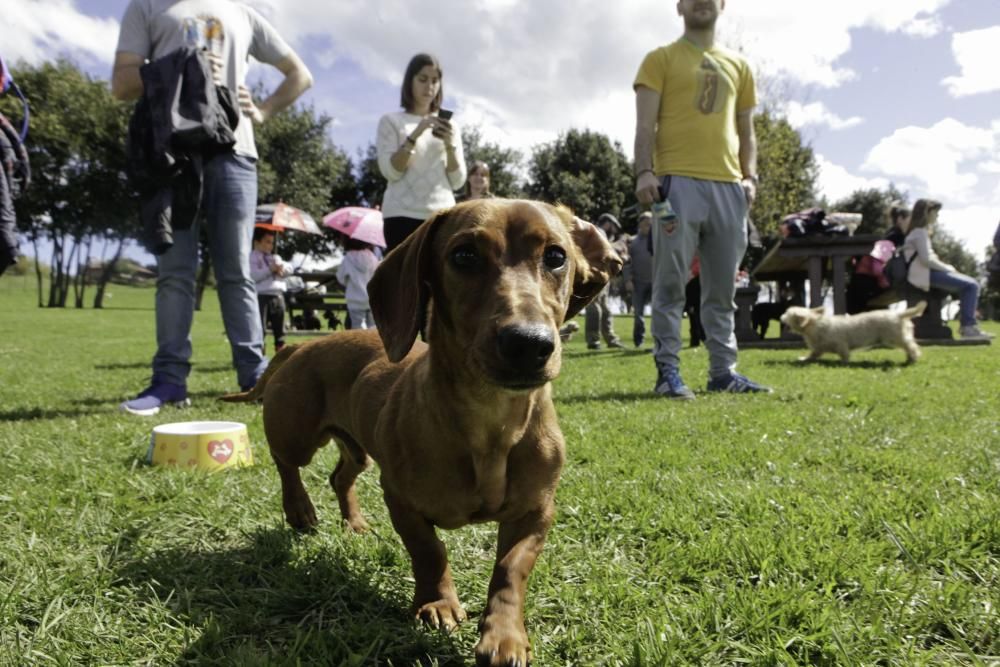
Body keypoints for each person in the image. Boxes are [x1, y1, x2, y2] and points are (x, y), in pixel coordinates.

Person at [112, 0, 313, 415]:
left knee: (236, 270)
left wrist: (264, 110)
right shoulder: (148, 7)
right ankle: (168, 380)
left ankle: (255, 376)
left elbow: (300, 75)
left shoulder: (241, 12)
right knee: (174, 272)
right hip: (171, 151)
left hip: (234, 151)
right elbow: (121, 83)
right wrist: (177, 70)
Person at [633, 0, 769, 398]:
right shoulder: (660, 60)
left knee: (722, 288)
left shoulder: (739, 66)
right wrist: (644, 171)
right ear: (679, 6)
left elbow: (747, 129)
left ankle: (723, 372)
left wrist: (750, 177)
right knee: (671, 283)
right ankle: (667, 373)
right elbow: (644, 124)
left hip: (729, 187)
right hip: (676, 184)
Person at [376, 53, 467, 253]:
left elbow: (458, 181)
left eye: (435, 81)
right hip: (400, 215)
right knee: (401, 282)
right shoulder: (390, 121)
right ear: (410, 81)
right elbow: (391, 172)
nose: (429, 87)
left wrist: (450, 145)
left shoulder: (451, 127)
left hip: (441, 215)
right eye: (423, 79)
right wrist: (416, 134)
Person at [902, 198, 993, 340]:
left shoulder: (917, 232)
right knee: (971, 285)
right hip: (925, 276)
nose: (937, 216)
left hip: (924, 275)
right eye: (936, 212)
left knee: (970, 285)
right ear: (927, 213)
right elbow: (927, 260)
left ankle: (968, 326)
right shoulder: (920, 232)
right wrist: (948, 269)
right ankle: (968, 328)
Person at [585, 213, 626, 350]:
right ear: (608, 223)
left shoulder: (600, 233)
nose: (614, 231)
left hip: (603, 275)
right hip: (596, 275)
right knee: (595, 308)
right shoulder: (598, 231)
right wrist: (619, 246)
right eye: (614, 227)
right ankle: (593, 340)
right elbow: (605, 250)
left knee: (605, 309)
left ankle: (610, 339)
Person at [250, 227, 288, 353]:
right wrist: (269, 270)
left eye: (272, 242)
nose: (270, 245)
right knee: (260, 327)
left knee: (280, 327)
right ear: (257, 242)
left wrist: (283, 269)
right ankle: (260, 352)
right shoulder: (252, 258)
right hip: (261, 296)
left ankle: (280, 349)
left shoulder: (275, 257)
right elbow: (254, 276)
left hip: (277, 296)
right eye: (267, 241)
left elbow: (289, 269)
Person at [336, 237, 380, 330]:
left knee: (357, 326)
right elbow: (377, 276)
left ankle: (359, 344)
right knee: (373, 326)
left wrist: (348, 283)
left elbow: (340, 277)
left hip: (354, 298)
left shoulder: (348, 258)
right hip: (371, 297)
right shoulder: (373, 257)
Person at [628, 211, 654, 347]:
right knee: (638, 315)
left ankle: (659, 340)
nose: (648, 227)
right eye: (646, 224)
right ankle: (639, 341)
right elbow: (627, 263)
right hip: (638, 283)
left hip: (656, 282)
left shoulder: (658, 241)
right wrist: (628, 280)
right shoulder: (632, 242)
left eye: (651, 225)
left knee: (659, 313)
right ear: (640, 225)